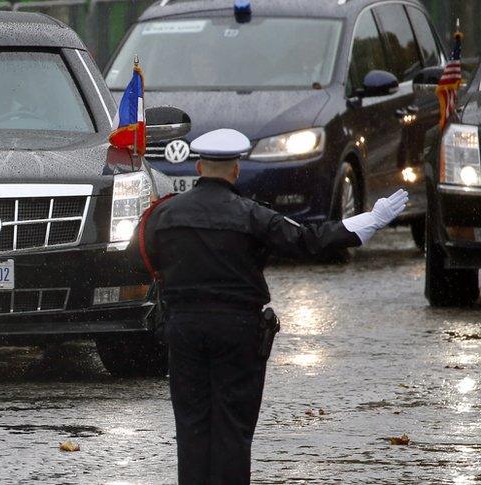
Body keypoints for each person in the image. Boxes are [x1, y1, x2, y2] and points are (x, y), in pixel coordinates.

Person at [139, 128, 407, 484]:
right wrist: (369, 221)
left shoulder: (164, 215)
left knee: (191, 426)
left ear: (200, 167)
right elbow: (308, 241)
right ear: (235, 170)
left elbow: (139, 256)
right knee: (233, 428)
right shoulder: (252, 215)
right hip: (237, 330)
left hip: (184, 326)